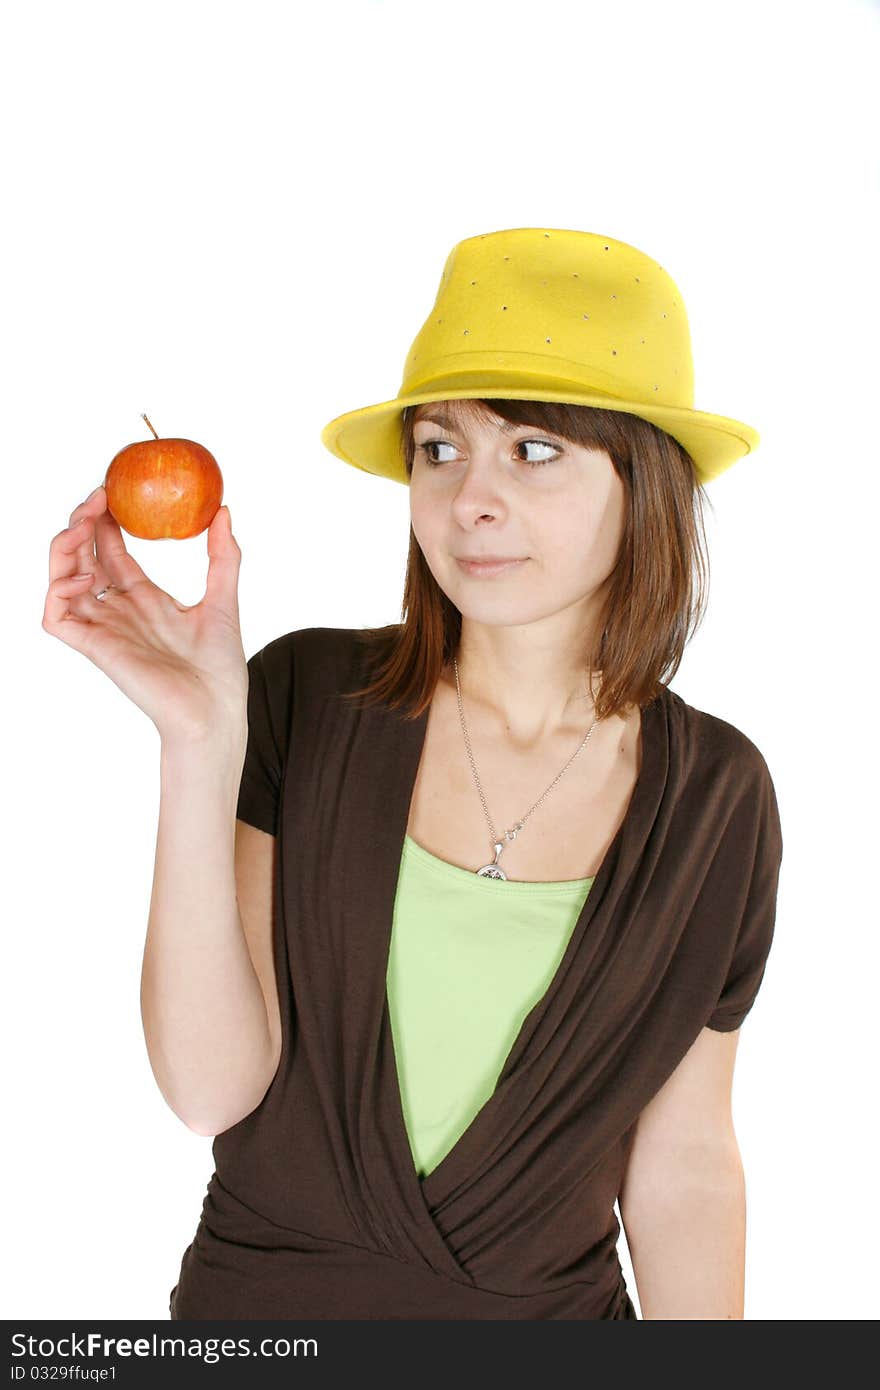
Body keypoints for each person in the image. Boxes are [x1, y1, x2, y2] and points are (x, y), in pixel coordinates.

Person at [42, 227, 783, 1320]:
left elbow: (683, 1169)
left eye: (532, 450)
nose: (468, 499)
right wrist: (200, 744)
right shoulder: (305, 695)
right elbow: (210, 1091)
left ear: (644, 482)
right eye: (440, 448)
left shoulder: (718, 795)